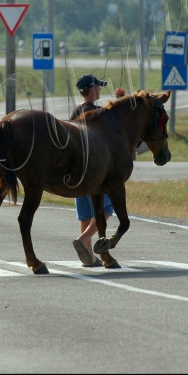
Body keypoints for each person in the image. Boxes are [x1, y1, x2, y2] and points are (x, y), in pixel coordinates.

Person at [70, 74, 114, 268]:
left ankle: (88, 256)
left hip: (77, 170)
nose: (100, 90)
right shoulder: (100, 113)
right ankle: (84, 238)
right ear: (91, 90)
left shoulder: (75, 112)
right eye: (98, 87)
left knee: (86, 213)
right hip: (96, 170)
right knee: (107, 207)